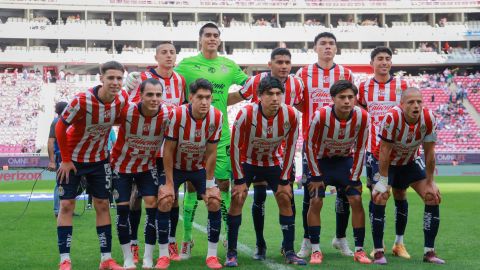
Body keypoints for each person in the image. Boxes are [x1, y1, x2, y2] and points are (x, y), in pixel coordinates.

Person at [173, 22, 248, 258]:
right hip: (191, 138)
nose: (212, 39)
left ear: (220, 39)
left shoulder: (229, 65)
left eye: (216, 35)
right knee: (192, 187)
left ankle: (225, 236)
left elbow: (249, 87)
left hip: (221, 136)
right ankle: (186, 239)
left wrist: (231, 98)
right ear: (200, 39)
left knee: (222, 187)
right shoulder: (186, 65)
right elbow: (169, 84)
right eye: (208, 35)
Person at [228, 47, 303, 260]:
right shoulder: (245, 114)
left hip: (273, 161)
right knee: (239, 196)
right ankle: (233, 252)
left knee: (284, 196)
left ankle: (289, 251)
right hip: (248, 161)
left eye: (278, 94)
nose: (275, 98)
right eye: (269, 94)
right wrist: (240, 179)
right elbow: (234, 147)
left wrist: (285, 179)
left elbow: (289, 148)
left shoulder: (291, 114)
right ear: (259, 96)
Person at [55, 61, 129, 270]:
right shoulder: (82, 100)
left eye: (119, 78)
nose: (115, 82)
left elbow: (123, 121)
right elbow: (61, 127)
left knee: (103, 205)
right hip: (74, 161)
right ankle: (65, 260)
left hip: (99, 160)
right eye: (111, 78)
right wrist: (66, 159)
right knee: (67, 205)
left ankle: (106, 259)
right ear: (101, 79)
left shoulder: (122, 99)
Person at [124, 41, 186, 263]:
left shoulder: (180, 80)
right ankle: (133, 244)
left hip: (168, 151)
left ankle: (170, 241)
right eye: (164, 52)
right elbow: (130, 112)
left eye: (172, 52)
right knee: (136, 197)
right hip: (142, 151)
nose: (169, 56)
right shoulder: (142, 79)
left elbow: (180, 114)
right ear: (156, 56)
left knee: (171, 195)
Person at [295, 32, 354, 258]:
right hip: (313, 146)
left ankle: (341, 238)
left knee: (345, 194)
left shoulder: (346, 73)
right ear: (315, 48)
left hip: (342, 145)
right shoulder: (303, 73)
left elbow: (351, 103)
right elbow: (300, 103)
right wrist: (315, 119)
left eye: (331, 44)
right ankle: (307, 241)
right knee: (311, 195)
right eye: (323, 44)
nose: (327, 47)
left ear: (336, 49)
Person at [370, 87, 444, 265]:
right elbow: (385, 151)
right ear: (402, 104)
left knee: (432, 196)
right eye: (411, 102)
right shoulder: (392, 117)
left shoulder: (429, 118)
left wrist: (431, 182)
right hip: (386, 162)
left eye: (419, 101)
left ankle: (429, 252)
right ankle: (379, 251)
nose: (416, 105)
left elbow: (429, 152)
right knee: (380, 196)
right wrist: (383, 181)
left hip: (410, 161)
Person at [304, 80, 371, 265]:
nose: (347, 101)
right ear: (333, 98)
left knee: (356, 199)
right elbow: (308, 145)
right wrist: (316, 176)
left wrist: (355, 177)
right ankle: (316, 250)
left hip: (344, 161)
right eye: (342, 97)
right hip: (321, 161)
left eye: (351, 97)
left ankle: (359, 250)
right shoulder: (321, 116)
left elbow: (360, 149)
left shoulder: (363, 117)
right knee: (316, 200)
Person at [161, 78, 223, 269]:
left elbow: (212, 153)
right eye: (200, 97)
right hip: (177, 166)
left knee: (214, 200)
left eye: (208, 98)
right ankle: (165, 252)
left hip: (198, 168)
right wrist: (169, 183)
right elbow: (168, 151)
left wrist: (211, 184)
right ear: (190, 98)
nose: (204, 102)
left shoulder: (217, 116)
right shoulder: (177, 114)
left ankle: (212, 256)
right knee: (166, 199)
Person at [110, 78, 171, 269]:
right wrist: (126, 88)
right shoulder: (127, 111)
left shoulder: (168, 114)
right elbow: (110, 108)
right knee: (123, 210)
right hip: (121, 167)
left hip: (147, 167)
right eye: (150, 94)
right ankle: (128, 257)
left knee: (152, 207)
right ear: (141, 95)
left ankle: (148, 257)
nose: (154, 99)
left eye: (158, 95)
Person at [357, 46, 411, 259]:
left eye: (388, 59)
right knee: (378, 195)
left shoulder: (403, 85)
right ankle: (378, 246)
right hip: (375, 152)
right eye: (380, 59)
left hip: (401, 153)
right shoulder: (363, 87)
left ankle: (399, 243)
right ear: (372, 63)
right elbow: (361, 114)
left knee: (400, 193)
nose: (384, 62)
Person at [48, 101, 68, 218]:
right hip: (61, 156)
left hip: (67, 156)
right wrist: (51, 161)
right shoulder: (56, 122)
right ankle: (57, 210)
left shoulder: (68, 121)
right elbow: (51, 141)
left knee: (70, 183)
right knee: (60, 183)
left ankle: (65, 207)